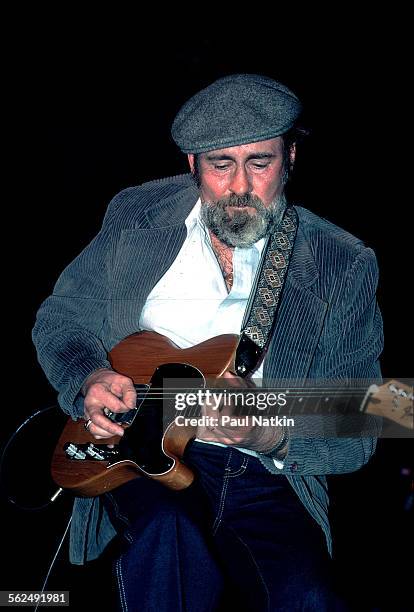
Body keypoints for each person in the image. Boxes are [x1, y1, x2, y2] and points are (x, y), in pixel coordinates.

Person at [33, 74, 383, 611]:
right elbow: (61, 317)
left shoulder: (344, 261)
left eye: (260, 163)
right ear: (192, 165)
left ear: (290, 157)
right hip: (137, 456)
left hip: (264, 476)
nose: (240, 186)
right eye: (221, 164)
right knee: (169, 542)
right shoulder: (136, 214)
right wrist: (89, 375)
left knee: (310, 599)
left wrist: (268, 433)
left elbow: (372, 414)